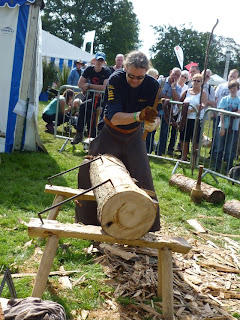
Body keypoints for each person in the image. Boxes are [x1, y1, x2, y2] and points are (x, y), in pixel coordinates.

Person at [75, 50, 161, 232]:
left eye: (140, 77)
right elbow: (115, 118)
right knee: (90, 172)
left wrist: (155, 122)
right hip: (109, 132)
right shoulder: (115, 79)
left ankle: (148, 227)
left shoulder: (153, 85)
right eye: (131, 76)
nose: (135, 81)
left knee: (144, 178)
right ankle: (87, 224)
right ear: (125, 68)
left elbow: (155, 112)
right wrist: (139, 116)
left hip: (134, 136)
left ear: (146, 72)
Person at [71, 51, 111, 144]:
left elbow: (104, 87)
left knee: (90, 112)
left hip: (101, 100)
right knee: (84, 108)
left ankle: (93, 138)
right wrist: (91, 87)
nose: (99, 62)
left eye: (101, 60)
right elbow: (80, 83)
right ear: (94, 60)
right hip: (89, 98)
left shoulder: (106, 71)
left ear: (104, 62)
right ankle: (80, 134)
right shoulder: (89, 69)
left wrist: (89, 85)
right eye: (98, 60)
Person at [213, 80, 240, 173]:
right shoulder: (225, 99)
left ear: (237, 89)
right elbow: (221, 112)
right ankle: (216, 165)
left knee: (230, 149)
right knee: (219, 147)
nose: (233, 90)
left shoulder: (239, 100)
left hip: (234, 128)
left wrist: (229, 113)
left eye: (235, 88)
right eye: (231, 88)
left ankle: (229, 168)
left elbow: (239, 112)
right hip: (223, 125)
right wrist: (223, 126)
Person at [180, 73, 208, 161]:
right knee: (184, 138)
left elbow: (203, 104)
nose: (196, 82)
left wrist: (191, 110)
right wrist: (183, 110)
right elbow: (180, 103)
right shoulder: (186, 92)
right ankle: (184, 156)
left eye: (198, 81)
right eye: (194, 80)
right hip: (186, 119)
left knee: (195, 139)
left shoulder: (203, 93)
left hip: (196, 119)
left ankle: (194, 158)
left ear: (201, 82)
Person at [154, 67, 182, 156]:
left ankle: (160, 151)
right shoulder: (161, 81)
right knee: (152, 129)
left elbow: (177, 100)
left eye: (178, 75)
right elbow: (157, 93)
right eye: (174, 74)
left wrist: (173, 88)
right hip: (156, 108)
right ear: (170, 72)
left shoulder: (177, 87)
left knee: (165, 131)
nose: (176, 76)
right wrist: (169, 98)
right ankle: (148, 148)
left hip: (168, 111)